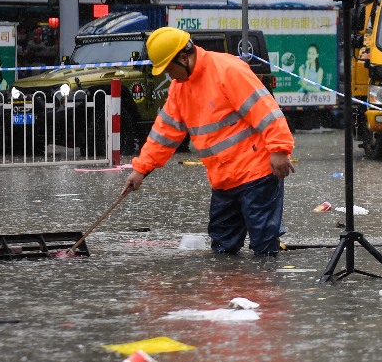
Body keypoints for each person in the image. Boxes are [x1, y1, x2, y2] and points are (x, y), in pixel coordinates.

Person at [124, 27, 295, 257]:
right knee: (223, 249)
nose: (169, 76)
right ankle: (230, 292)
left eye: (169, 68)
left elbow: (266, 111)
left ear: (184, 58)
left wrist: (280, 150)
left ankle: (263, 292)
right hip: (224, 181)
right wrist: (141, 169)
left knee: (264, 248)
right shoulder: (179, 88)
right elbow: (164, 133)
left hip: (257, 174)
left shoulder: (227, 70)